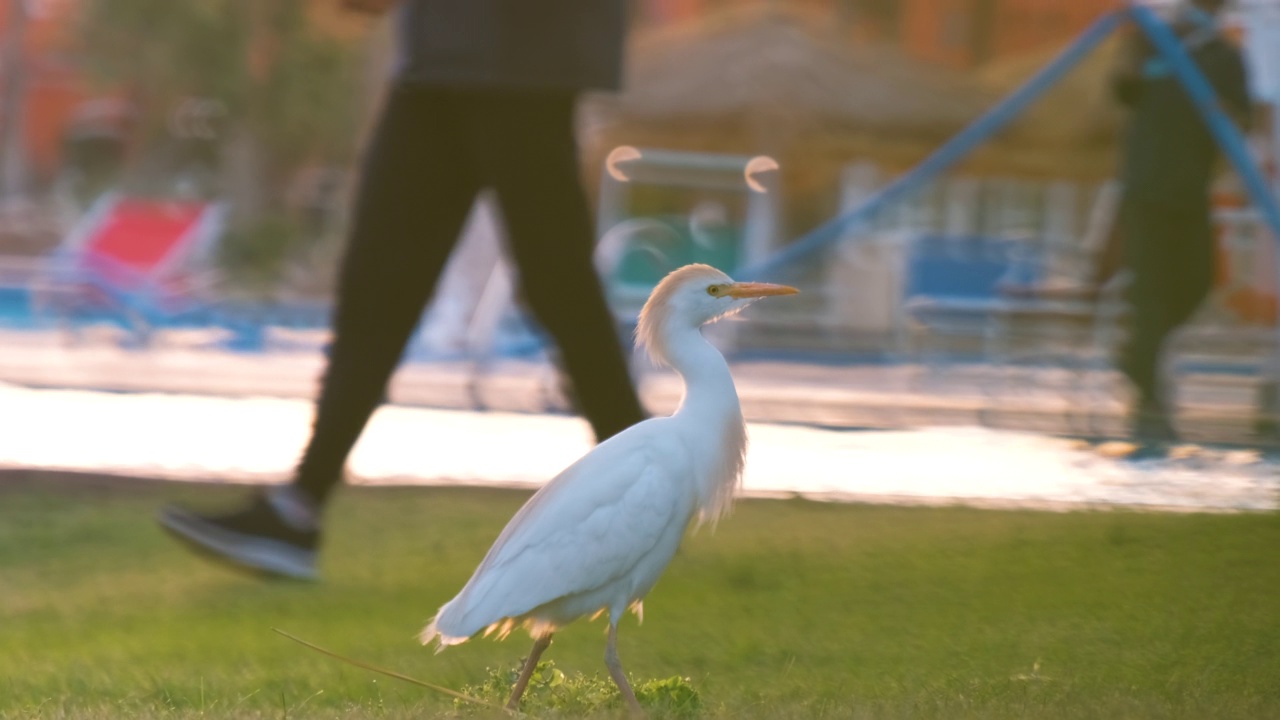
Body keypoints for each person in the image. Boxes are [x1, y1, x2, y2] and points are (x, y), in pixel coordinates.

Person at [158, 0, 646, 580]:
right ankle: (297, 510)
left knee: (557, 287)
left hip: (521, 62)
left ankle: (648, 496)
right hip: (443, 58)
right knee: (377, 288)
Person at [1110, 0, 1252, 443]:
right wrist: (1134, 46)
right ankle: (1150, 401)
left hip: (1191, 188)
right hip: (1147, 185)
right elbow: (1122, 91)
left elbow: (1242, 116)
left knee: (1198, 282)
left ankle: (1138, 357)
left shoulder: (1224, 55)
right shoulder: (1154, 39)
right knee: (1152, 293)